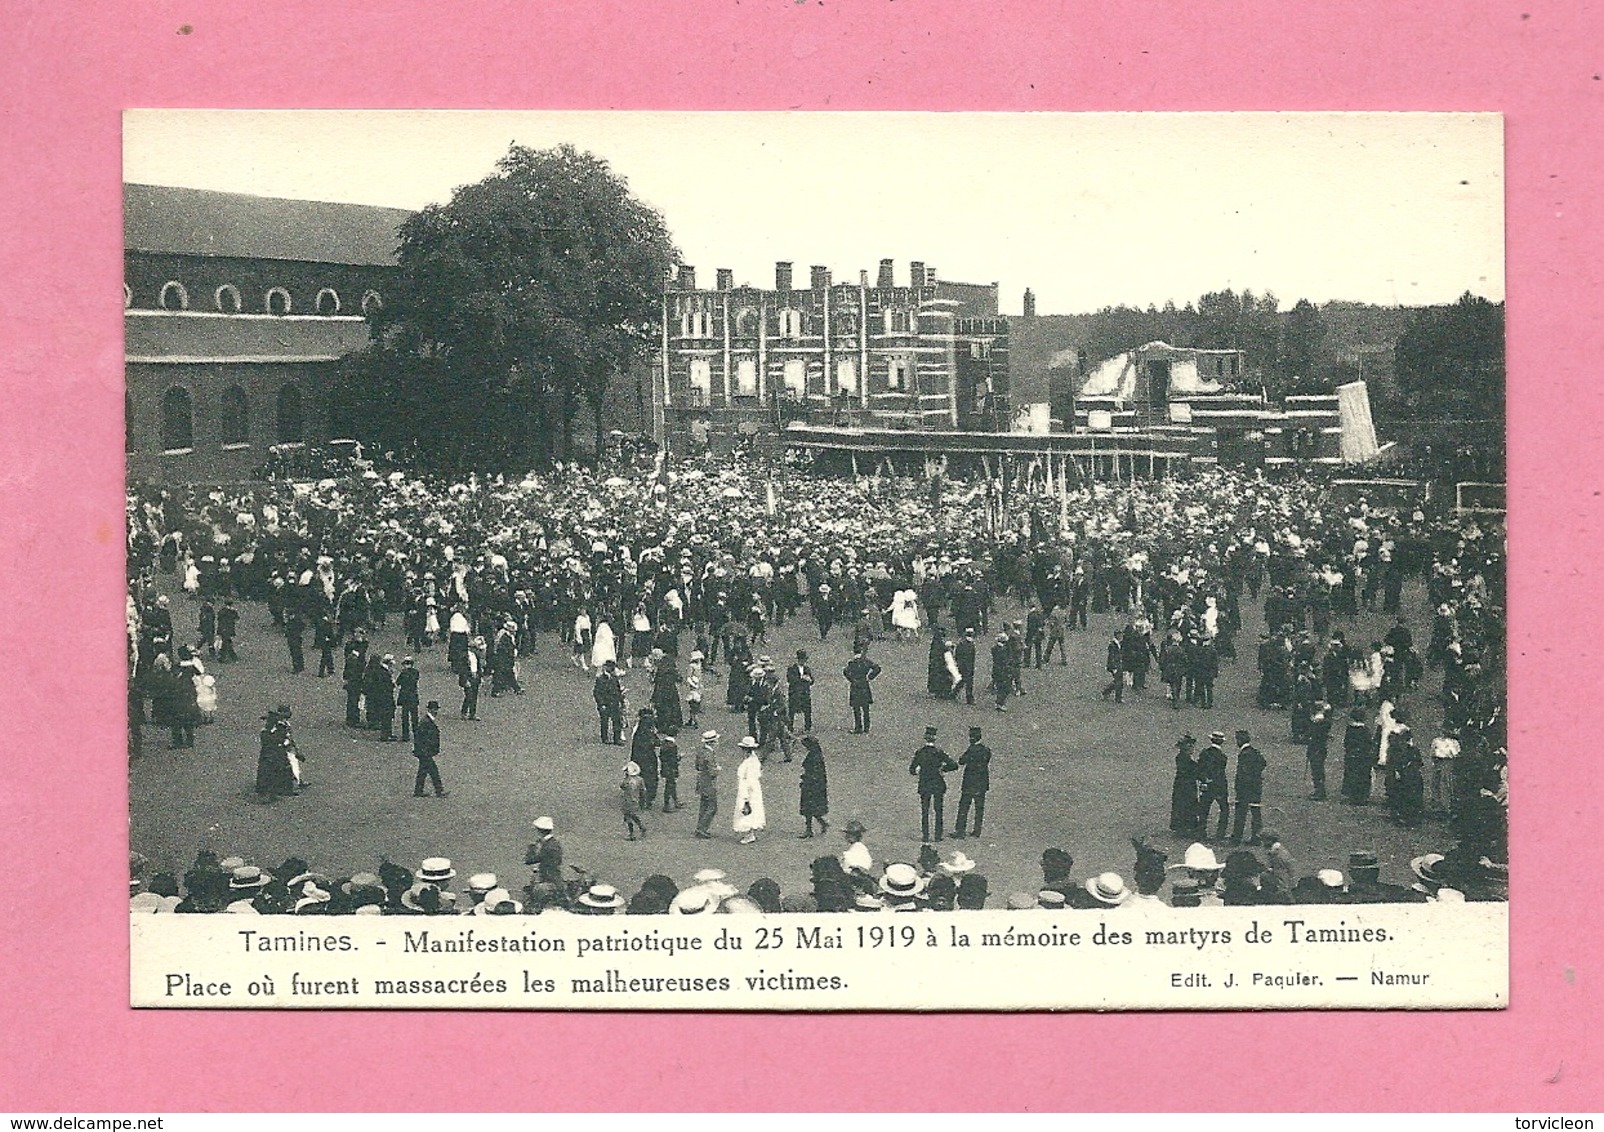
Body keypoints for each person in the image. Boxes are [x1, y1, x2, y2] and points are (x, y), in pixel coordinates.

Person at [909, 725, 959, 842]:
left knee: (925, 811)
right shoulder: (939, 753)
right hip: (937, 783)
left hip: (925, 784)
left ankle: (925, 835)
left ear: (925, 738)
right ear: (934, 738)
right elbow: (954, 765)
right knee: (938, 810)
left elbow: (912, 769)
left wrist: (918, 771)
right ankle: (938, 835)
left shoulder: (920, 753)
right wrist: (942, 769)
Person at [953, 725, 991, 840]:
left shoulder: (971, 750)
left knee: (964, 807)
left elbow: (961, 761)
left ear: (972, 738)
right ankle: (977, 830)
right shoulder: (986, 750)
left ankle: (960, 831)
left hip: (970, 783)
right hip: (982, 783)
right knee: (979, 808)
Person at [1230, 729, 1267, 845]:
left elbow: (1243, 773)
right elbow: (1263, 763)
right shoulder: (1255, 752)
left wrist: (1240, 786)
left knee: (1240, 813)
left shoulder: (1244, 754)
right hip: (1256, 787)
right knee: (1256, 813)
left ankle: (1236, 838)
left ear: (1239, 740)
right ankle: (1256, 838)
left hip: (1245, 789)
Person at [255, 704, 300, 798]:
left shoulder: (283, 724)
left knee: (284, 769)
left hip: (278, 750)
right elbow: (269, 738)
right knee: (273, 770)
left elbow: (288, 737)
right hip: (273, 751)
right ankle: (270, 792)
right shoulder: (274, 726)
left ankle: (285, 789)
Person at [1196, 731, 1230, 841]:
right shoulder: (1223, 757)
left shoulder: (1204, 753)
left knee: (1204, 809)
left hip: (1207, 786)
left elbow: (1199, 769)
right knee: (1224, 809)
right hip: (1219, 786)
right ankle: (1220, 834)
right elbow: (1219, 773)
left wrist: (1204, 781)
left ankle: (1201, 832)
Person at [733, 735, 766, 845]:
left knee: (746, 809)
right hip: (750, 788)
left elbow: (750, 779)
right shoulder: (752, 760)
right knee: (748, 810)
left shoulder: (750, 763)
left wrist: (746, 796)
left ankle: (749, 833)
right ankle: (749, 832)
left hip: (748, 789)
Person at [412, 700, 447, 798]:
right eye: (434, 709)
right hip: (425, 752)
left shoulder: (426, 720)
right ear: (430, 709)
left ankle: (418, 791)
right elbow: (421, 738)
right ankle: (439, 791)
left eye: (436, 709)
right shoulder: (426, 722)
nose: (436, 711)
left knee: (423, 771)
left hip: (424, 751)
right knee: (433, 771)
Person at [843, 648, 882, 734]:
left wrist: (852, 680)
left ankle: (858, 727)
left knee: (856, 708)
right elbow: (877, 668)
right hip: (864, 685)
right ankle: (866, 728)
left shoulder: (852, 663)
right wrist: (870, 677)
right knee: (866, 708)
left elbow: (845, 671)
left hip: (855, 686)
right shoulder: (866, 662)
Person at [798, 734, 830, 838]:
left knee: (808, 808)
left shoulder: (814, 757)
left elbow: (814, 773)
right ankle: (821, 824)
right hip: (815, 785)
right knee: (813, 808)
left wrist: (806, 779)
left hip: (812, 785)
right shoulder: (815, 754)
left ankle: (809, 830)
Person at [1341, 708, 1373, 804]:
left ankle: (1352, 795)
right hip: (1363, 756)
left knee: (1351, 774)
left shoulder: (1350, 730)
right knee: (1362, 776)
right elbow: (1368, 744)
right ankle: (1361, 796)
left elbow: (1346, 743)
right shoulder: (1365, 730)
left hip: (1351, 755)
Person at [1169, 733, 1200, 834]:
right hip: (1184, 785)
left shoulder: (1184, 757)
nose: (1192, 748)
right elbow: (1190, 769)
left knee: (1185, 804)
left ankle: (1184, 825)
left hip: (1184, 784)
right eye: (1189, 745)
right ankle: (1184, 825)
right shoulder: (1182, 758)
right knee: (1185, 804)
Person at [630, 708, 660, 807]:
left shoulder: (638, 730)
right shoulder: (648, 730)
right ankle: (648, 799)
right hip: (648, 758)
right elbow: (655, 742)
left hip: (638, 758)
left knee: (640, 777)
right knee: (650, 778)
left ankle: (642, 798)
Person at [694, 730, 722, 839]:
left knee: (704, 806)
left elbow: (697, 766)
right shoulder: (709, 754)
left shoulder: (701, 751)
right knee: (712, 807)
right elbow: (712, 772)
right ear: (712, 742)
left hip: (701, 781)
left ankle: (700, 828)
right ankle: (702, 829)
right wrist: (718, 769)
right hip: (708, 783)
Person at [593, 660, 626, 744]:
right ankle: (605, 738)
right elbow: (597, 693)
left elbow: (617, 691)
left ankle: (617, 739)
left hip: (614, 703)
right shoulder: (600, 679)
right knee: (605, 722)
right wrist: (601, 704)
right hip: (605, 704)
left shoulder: (614, 679)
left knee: (617, 721)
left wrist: (621, 701)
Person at [1306, 699, 1332, 800]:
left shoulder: (1318, 724)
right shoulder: (1324, 722)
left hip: (1316, 749)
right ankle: (1319, 790)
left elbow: (1312, 735)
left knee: (1317, 770)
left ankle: (1320, 791)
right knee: (1318, 770)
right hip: (1320, 749)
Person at [786, 649, 814, 732]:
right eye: (801, 660)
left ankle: (807, 727)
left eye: (804, 660)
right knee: (792, 711)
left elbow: (812, 680)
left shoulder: (807, 669)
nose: (803, 661)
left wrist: (810, 680)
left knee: (807, 711)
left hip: (805, 693)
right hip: (795, 693)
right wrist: (801, 678)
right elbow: (790, 679)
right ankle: (790, 727)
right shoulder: (792, 668)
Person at [620, 762, 648, 841]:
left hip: (628, 801)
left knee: (628, 817)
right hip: (635, 801)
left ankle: (632, 834)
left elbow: (622, 786)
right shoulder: (640, 780)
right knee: (634, 816)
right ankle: (642, 827)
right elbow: (643, 791)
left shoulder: (627, 781)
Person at [396, 656, 420, 743]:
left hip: (405, 697)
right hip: (413, 697)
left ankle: (405, 735)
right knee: (415, 717)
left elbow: (398, 682)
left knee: (405, 717)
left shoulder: (403, 673)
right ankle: (416, 733)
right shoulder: (416, 672)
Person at [658, 730, 682, 813]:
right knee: (670, 786)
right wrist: (679, 758)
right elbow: (673, 759)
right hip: (671, 768)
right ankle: (667, 804)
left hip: (665, 768)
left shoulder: (664, 744)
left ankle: (675, 801)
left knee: (671, 784)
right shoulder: (672, 746)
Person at [1100, 632, 1125, 703]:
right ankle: (1118, 698)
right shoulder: (1113, 645)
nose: (1121, 636)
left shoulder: (1118, 643)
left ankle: (1106, 691)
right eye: (1120, 635)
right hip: (1115, 666)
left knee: (1117, 681)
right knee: (1119, 682)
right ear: (1117, 635)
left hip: (1118, 665)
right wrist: (1114, 667)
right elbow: (1112, 657)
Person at [955, 628, 977, 705]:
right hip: (968, 665)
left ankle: (954, 692)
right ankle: (969, 698)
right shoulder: (971, 644)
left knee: (962, 680)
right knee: (969, 682)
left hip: (962, 665)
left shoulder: (960, 643)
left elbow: (957, 655)